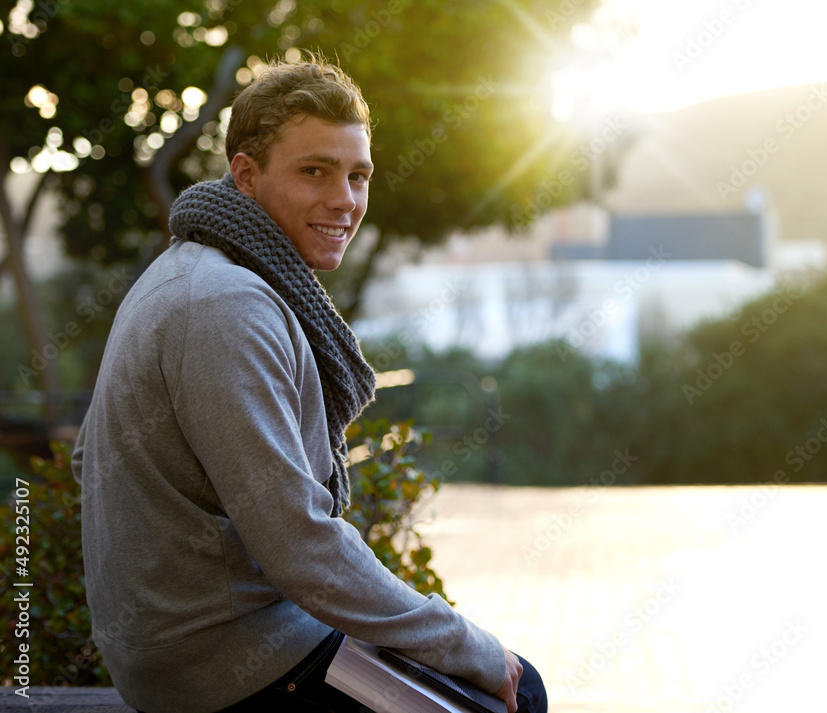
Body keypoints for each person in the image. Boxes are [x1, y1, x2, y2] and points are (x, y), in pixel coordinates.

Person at [72, 53, 546, 713]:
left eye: (358, 175)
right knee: (513, 694)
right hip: (231, 667)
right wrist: (469, 644)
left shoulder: (195, 270)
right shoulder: (225, 305)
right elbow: (300, 546)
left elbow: (85, 457)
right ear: (246, 176)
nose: (344, 200)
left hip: (202, 648)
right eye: (315, 172)